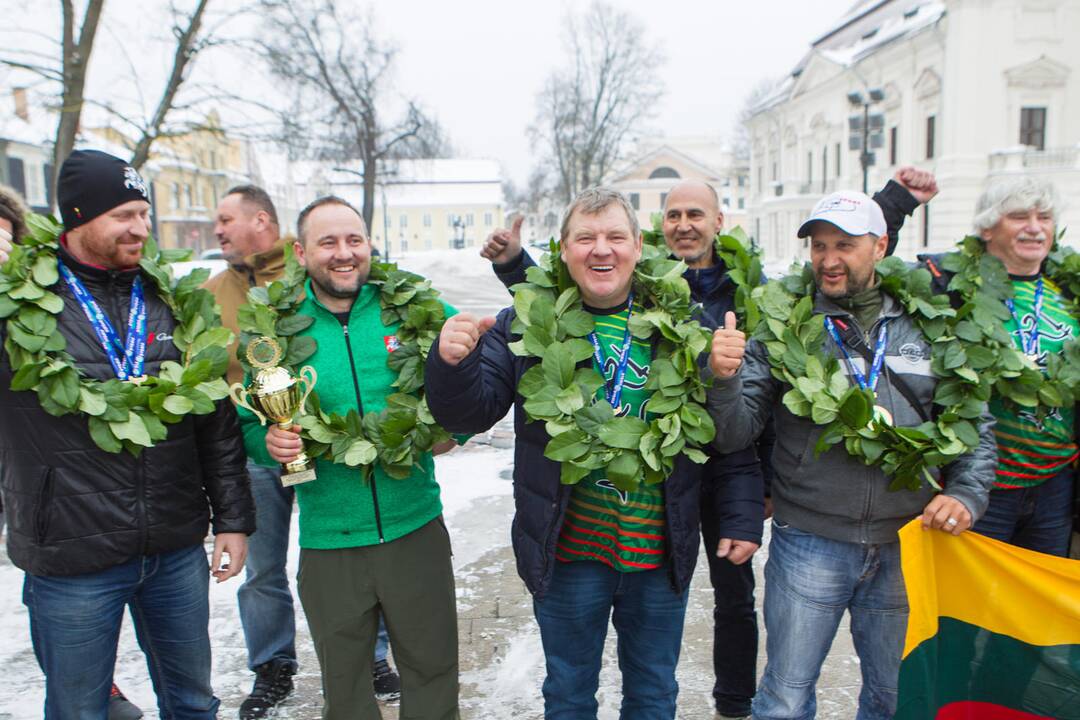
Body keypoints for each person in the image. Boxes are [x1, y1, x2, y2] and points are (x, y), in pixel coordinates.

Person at [480, 168, 936, 720]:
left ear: (719, 223)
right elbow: (572, 282)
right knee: (573, 685)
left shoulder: (751, 292)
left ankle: (733, 701)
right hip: (604, 513)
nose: (684, 224)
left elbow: (841, 260)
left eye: (696, 214)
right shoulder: (626, 282)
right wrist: (510, 268)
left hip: (702, 480)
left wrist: (749, 501)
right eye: (673, 214)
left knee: (725, 607)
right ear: (657, 231)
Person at [427, 186, 756, 719]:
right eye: (586, 238)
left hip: (657, 553)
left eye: (614, 237)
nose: (601, 249)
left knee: (653, 693)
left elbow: (729, 439)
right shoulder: (523, 325)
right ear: (562, 249)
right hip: (569, 555)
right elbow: (467, 415)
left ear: (638, 245)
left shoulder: (684, 328)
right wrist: (450, 364)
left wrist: (723, 379)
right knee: (569, 693)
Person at [707, 190, 996, 720]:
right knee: (785, 699)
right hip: (810, 543)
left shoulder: (931, 324)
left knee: (893, 697)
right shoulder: (785, 325)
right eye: (819, 246)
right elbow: (734, 433)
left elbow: (975, 423)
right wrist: (722, 380)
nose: (828, 259)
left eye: (845, 244)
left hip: (908, 544)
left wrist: (965, 493)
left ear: (881, 245)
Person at [0, 149, 254, 718]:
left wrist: (233, 520)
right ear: (78, 217)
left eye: (144, 213)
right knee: (79, 709)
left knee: (192, 702)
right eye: (123, 216)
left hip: (173, 548)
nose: (141, 228)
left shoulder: (170, 301)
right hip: (72, 553)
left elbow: (214, 423)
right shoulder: (20, 301)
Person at [246, 196, 459, 720]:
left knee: (432, 674)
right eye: (328, 242)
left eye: (354, 240)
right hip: (329, 542)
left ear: (368, 243)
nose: (344, 254)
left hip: (415, 528)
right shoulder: (275, 329)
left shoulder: (412, 308)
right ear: (301, 252)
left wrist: (457, 428)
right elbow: (249, 423)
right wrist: (268, 444)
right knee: (345, 694)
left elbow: (473, 380)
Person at [208, 186, 401, 717]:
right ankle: (273, 665)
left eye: (227, 219)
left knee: (356, 549)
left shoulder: (316, 278)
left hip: (331, 447)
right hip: (263, 448)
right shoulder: (213, 291)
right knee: (264, 567)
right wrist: (256, 438)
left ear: (263, 222)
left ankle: (375, 656)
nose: (218, 230)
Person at [920, 176, 1077, 557]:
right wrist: (900, 201)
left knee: (1036, 606)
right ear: (987, 227)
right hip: (981, 486)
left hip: (1054, 483)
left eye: (1044, 217)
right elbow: (872, 264)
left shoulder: (1070, 289)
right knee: (972, 608)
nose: (1035, 228)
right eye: (1019, 216)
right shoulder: (950, 285)